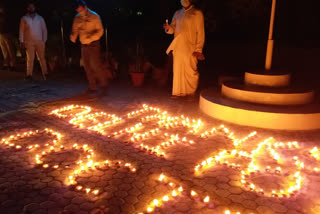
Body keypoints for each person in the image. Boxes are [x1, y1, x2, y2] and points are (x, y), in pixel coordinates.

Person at [164, 0, 205, 100]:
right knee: (178, 70)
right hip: (178, 47)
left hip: (190, 47)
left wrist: (198, 49)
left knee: (190, 71)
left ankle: (191, 93)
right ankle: (178, 92)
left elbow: (200, 32)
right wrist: (168, 28)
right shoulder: (178, 13)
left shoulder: (197, 13)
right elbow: (173, 28)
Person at [70, 0, 109, 97]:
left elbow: (100, 31)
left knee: (95, 65)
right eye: (78, 11)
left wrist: (91, 38)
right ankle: (92, 87)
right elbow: (75, 30)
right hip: (83, 46)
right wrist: (73, 36)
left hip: (93, 44)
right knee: (87, 66)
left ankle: (104, 86)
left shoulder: (94, 16)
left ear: (85, 7)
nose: (80, 12)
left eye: (81, 10)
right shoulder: (77, 18)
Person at [19, 1, 48, 80]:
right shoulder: (24, 18)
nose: (31, 8)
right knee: (30, 58)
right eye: (30, 7)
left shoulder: (40, 18)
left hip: (39, 41)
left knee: (41, 58)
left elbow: (44, 29)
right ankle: (29, 74)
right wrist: (21, 41)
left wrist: (44, 40)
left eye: (32, 7)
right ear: (27, 8)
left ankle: (45, 73)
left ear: (35, 8)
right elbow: (21, 30)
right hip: (29, 42)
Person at [0, 4, 16, 71]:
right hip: (1, 34)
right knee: (4, 50)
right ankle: (6, 64)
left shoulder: (7, 16)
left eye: (1, 8)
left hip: (7, 34)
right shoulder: (1, 15)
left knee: (10, 50)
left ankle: (12, 65)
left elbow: (10, 24)